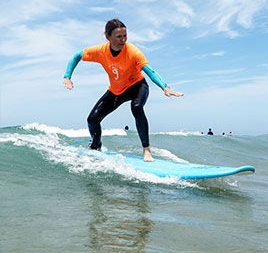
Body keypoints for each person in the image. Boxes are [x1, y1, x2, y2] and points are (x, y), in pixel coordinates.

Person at [63, 19, 183, 162]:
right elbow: (77, 56)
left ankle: (146, 150)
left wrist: (165, 87)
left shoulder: (132, 51)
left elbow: (150, 71)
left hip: (137, 86)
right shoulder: (100, 51)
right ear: (108, 36)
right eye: (119, 36)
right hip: (116, 91)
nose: (123, 40)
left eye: (125, 35)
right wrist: (67, 76)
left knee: (137, 107)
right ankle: (96, 146)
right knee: (92, 119)